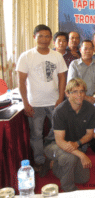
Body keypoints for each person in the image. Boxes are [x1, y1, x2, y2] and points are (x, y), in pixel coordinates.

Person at [16, 24, 68, 176]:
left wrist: (60, 97)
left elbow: (62, 77)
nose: (44, 39)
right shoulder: (26, 56)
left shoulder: (57, 56)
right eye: (40, 36)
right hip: (35, 103)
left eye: (47, 36)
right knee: (36, 134)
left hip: (55, 102)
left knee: (57, 131)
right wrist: (25, 103)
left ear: (51, 39)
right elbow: (21, 82)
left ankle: (51, 155)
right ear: (34, 37)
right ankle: (40, 161)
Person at [44, 78, 95, 192]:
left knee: (83, 178)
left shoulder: (90, 108)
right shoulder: (60, 111)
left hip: (74, 145)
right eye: (75, 92)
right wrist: (81, 155)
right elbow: (60, 141)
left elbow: (90, 134)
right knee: (70, 158)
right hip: (54, 144)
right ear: (67, 94)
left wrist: (77, 144)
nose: (79, 95)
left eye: (82, 91)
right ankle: (68, 188)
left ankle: (54, 165)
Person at [67, 40, 95, 104]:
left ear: (93, 50)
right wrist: (86, 98)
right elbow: (71, 85)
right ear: (80, 50)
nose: (88, 51)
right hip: (78, 99)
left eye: (90, 49)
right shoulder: (74, 64)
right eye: (85, 49)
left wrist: (94, 96)